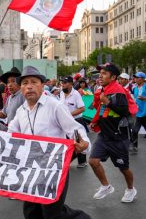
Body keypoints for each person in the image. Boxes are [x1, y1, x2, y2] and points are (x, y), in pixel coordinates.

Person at [6, 65, 91, 219]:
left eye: (34, 82)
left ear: (42, 84)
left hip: (54, 168)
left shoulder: (55, 106)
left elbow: (75, 129)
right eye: (25, 83)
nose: (29, 86)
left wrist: (83, 143)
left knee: (53, 214)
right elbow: (11, 133)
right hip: (31, 171)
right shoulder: (21, 111)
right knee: (31, 213)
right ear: (21, 87)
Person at [89, 63, 137, 203]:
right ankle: (106, 186)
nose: (100, 76)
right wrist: (95, 121)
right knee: (93, 161)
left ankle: (130, 189)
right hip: (104, 135)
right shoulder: (103, 90)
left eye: (104, 73)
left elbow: (124, 111)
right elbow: (102, 110)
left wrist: (108, 102)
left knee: (123, 168)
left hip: (119, 137)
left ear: (113, 77)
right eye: (100, 73)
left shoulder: (119, 91)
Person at [60, 76, 88, 168]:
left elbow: (82, 108)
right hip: (65, 121)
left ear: (71, 84)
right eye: (62, 82)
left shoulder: (76, 94)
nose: (63, 84)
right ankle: (66, 160)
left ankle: (82, 161)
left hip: (76, 121)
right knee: (66, 140)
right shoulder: (61, 93)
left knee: (79, 141)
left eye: (65, 83)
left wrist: (69, 114)